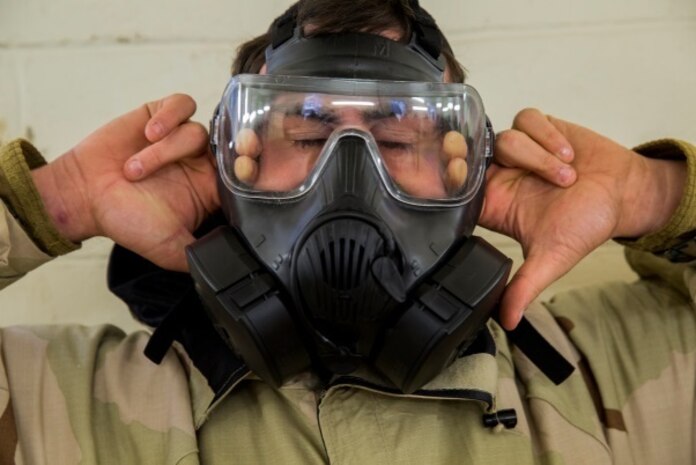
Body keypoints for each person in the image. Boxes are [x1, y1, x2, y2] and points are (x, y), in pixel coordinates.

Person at [0, 1, 693, 464]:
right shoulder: (67, 400)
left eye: (397, 136)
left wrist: (650, 193)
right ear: (226, 167)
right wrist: (55, 203)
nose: (350, 181)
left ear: (472, 174)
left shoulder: (603, 370)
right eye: (306, 130)